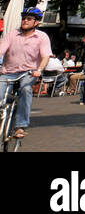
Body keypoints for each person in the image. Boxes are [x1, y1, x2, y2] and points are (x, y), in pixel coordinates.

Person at [0, 7, 52, 139]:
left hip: (28, 73)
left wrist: (39, 70)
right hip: (8, 72)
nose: (25, 21)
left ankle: (20, 126)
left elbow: (45, 56)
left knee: (26, 89)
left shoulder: (42, 37)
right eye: (24, 18)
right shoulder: (12, 34)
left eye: (29, 19)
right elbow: (1, 50)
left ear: (36, 22)